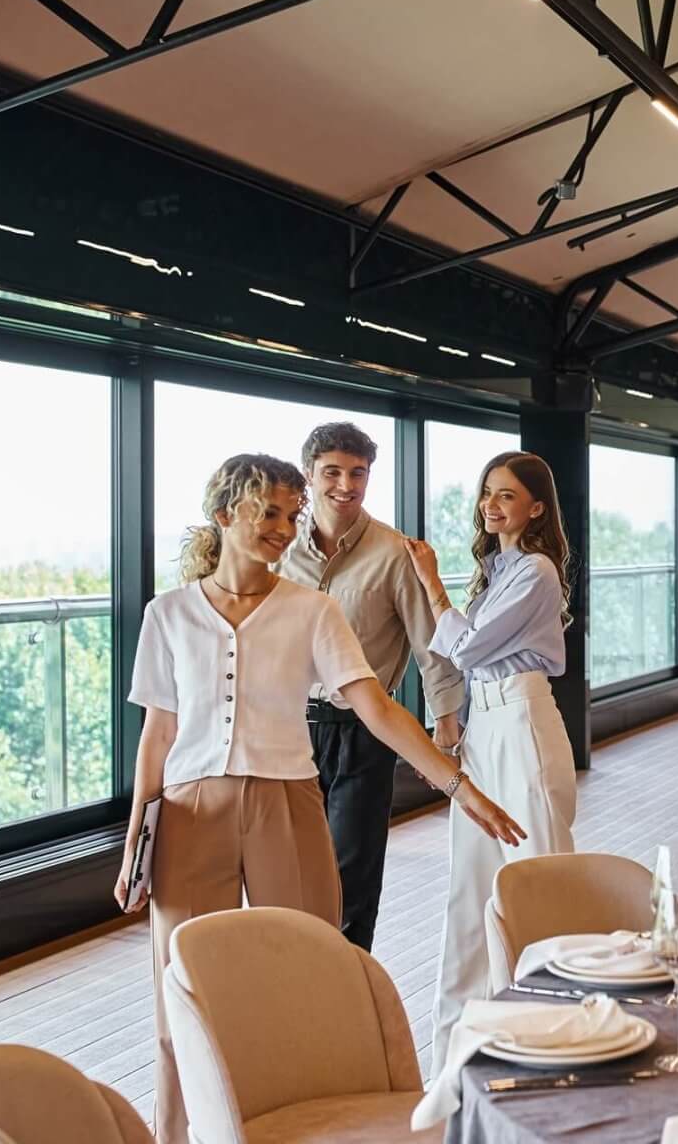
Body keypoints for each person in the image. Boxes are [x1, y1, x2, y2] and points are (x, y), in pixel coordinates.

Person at [117, 453, 525, 1144]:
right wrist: (136, 840)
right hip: (188, 812)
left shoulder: (313, 610)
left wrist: (459, 785)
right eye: (268, 513)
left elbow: (379, 708)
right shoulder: (169, 614)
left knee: (308, 975)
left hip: (288, 803)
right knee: (177, 995)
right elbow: (157, 733)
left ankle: (314, 1124)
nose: (284, 528)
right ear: (225, 516)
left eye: (289, 514)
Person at [404, 450, 577, 1071]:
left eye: (506, 495)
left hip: (523, 725)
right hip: (485, 725)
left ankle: (549, 1039)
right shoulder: (499, 569)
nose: (491, 504)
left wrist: (430, 581)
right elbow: (462, 656)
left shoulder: (535, 570)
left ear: (535, 507)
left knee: (536, 877)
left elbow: (471, 650)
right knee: (470, 888)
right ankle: (455, 1056)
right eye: (487, 493)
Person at [279, 422, 466, 950]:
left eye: (357, 473)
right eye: (332, 472)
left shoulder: (392, 553)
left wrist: (446, 728)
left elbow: (430, 645)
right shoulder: (280, 551)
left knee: (351, 877)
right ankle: (287, 986)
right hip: (286, 732)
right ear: (309, 477)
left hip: (364, 732)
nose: (346, 484)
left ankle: (345, 997)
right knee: (288, 871)